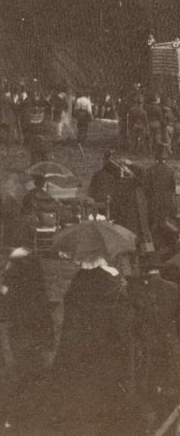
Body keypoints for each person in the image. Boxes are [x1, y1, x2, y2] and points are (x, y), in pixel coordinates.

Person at [53, 254, 136, 434]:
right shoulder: (116, 281)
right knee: (109, 393)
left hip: (84, 347)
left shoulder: (79, 280)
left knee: (86, 395)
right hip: (109, 347)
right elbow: (125, 320)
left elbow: (71, 319)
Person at [0, 246, 54, 431]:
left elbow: (7, 308)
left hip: (23, 333)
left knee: (23, 373)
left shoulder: (15, 273)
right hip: (34, 333)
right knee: (33, 373)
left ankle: (18, 417)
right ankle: (32, 415)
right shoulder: (33, 272)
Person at [131, 255, 180, 429]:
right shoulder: (175, 288)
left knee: (148, 387)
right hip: (169, 347)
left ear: (145, 271)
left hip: (147, 348)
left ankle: (150, 426)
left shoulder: (137, 291)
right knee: (170, 385)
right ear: (160, 270)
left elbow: (134, 324)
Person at [145, 145, 179, 252]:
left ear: (156, 157)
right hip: (167, 202)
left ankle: (157, 248)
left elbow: (147, 189)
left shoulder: (150, 170)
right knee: (168, 224)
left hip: (154, 201)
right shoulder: (171, 171)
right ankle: (170, 246)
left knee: (155, 225)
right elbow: (173, 190)